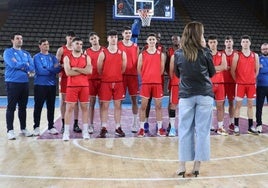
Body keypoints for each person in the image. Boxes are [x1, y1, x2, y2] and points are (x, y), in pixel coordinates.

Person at [174, 21, 216, 177]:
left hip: (186, 95)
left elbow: (177, 74)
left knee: (185, 130)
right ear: (199, 35)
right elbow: (211, 73)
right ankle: (197, 165)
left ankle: (181, 166)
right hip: (204, 95)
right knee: (202, 131)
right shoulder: (205, 52)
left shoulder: (178, 53)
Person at [3, 32, 35, 140]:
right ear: (12, 40)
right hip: (12, 82)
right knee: (11, 107)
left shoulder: (26, 53)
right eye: (17, 38)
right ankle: (10, 130)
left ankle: (23, 128)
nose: (20, 40)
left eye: (21, 38)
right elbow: (13, 64)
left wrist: (22, 66)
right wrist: (24, 65)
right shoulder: (8, 52)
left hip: (24, 83)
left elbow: (31, 67)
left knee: (23, 107)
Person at [97, 29, 127, 138]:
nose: (114, 39)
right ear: (108, 39)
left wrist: (116, 76)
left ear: (117, 39)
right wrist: (107, 76)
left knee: (118, 106)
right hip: (106, 82)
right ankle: (104, 127)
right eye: (111, 37)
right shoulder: (103, 52)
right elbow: (99, 68)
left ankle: (118, 127)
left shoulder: (122, 53)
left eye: (115, 37)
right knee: (105, 106)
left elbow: (123, 68)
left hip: (118, 82)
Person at [62, 37, 92, 141]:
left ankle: (85, 131)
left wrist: (76, 68)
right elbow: (68, 73)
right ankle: (66, 132)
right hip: (72, 86)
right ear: (72, 45)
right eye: (77, 43)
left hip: (84, 86)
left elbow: (89, 71)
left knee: (84, 108)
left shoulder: (86, 57)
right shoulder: (67, 57)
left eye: (80, 44)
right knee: (69, 108)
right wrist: (83, 71)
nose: (79, 45)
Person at [137, 33, 166, 137]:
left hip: (157, 83)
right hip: (146, 83)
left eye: (153, 39)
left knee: (158, 106)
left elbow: (162, 69)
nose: (152, 41)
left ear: (156, 41)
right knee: (143, 107)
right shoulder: (142, 54)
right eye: (150, 39)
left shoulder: (160, 54)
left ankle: (159, 128)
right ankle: (141, 128)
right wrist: (146, 77)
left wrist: (155, 77)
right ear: (147, 41)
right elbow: (139, 69)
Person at [231, 35, 259, 135]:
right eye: (244, 41)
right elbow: (233, 71)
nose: (245, 43)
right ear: (241, 43)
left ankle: (251, 126)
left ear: (250, 43)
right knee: (238, 105)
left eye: (247, 41)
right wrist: (239, 80)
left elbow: (257, 70)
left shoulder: (255, 55)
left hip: (251, 84)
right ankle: (236, 126)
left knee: (250, 106)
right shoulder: (237, 55)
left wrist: (251, 79)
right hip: (240, 85)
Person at [32, 38, 61, 136]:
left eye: (47, 44)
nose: (46, 46)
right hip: (40, 85)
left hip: (51, 85)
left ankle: (51, 126)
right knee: (38, 106)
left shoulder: (53, 57)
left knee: (51, 107)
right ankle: (36, 127)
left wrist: (48, 69)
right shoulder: (36, 57)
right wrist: (51, 69)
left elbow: (58, 69)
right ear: (39, 46)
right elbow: (40, 71)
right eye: (44, 44)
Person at [56, 30, 81, 134]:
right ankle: (63, 124)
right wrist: (66, 66)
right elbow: (56, 65)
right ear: (66, 38)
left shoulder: (78, 49)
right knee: (63, 101)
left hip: (75, 77)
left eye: (72, 38)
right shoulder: (61, 50)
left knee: (76, 102)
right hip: (65, 78)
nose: (71, 40)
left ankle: (76, 123)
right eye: (69, 38)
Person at [118, 26, 139, 133]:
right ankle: (119, 124)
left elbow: (138, 61)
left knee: (134, 100)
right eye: (126, 33)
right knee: (119, 101)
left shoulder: (135, 46)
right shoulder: (118, 45)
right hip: (121, 76)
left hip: (133, 76)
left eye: (129, 33)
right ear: (122, 34)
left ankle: (135, 122)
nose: (128, 34)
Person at [207, 34, 228, 136]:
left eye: (214, 42)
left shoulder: (222, 54)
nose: (213, 44)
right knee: (207, 107)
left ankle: (220, 127)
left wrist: (211, 68)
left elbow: (224, 67)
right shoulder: (205, 54)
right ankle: (209, 125)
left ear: (217, 43)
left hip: (220, 84)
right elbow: (204, 68)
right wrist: (217, 68)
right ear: (208, 43)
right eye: (211, 42)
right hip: (208, 84)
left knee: (220, 107)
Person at [84, 32, 104, 134]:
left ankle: (102, 125)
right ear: (90, 41)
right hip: (90, 80)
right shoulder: (87, 51)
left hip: (102, 80)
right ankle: (90, 125)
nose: (94, 40)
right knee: (91, 103)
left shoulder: (104, 50)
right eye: (92, 39)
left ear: (98, 38)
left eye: (95, 38)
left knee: (102, 104)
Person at [166, 35, 181, 137]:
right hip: (174, 81)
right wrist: (174, 79)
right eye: (173, 39)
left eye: (176, 39)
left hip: (186, 83)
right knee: (172, 104)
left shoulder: (187, 53)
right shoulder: (170, 52)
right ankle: (171, 126)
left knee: (187, 106)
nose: (175, 40)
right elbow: (170, 69)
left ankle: (184, 126)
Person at [222, 35, 236, 132]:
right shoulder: (221, 54)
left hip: (232, 82)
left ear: (233, 43)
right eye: (227, 42)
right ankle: (221, 123)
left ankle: (231, 123)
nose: (228, 43)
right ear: (224, 43)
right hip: (222, 82)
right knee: (221, 104)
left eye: (230, 41)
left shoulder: (236, 54)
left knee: (231, 103)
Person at [255, 43, 268, 133]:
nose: (265, 50)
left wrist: (264, 69)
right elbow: (259, 70)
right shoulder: (258, 59)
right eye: (263, 49)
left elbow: (263, 70)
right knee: (259, 107)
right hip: (261, 86)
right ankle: (259, 125)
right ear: (261, 50)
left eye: (266, 49)